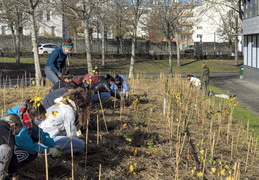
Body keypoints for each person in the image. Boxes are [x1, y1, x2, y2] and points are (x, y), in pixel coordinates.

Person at [7, 99, 61, 178]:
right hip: (6, 147)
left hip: (15, 144)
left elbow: (40, 134)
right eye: (39, 118)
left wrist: (52, 144)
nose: (40, 121)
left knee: (32, 153)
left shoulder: (27, 119)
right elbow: (29, 145)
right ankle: (9, 168)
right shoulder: (17, 124)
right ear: (32, 115)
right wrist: (48, 150)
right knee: (28, 154)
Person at [39, 88, 91, 154]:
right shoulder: (68, 111)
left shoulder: (59, 105)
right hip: (49, 139)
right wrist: (78, 140)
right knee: (81, 145)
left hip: (42, 137)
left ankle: (51, 151)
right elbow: (71, 134)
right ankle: (53, 153)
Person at [0, 114, 23, 180]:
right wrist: (14, 174)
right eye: (15, 132)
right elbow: (12, 154)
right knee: (6, 149)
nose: (14, 135)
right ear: (13, 124)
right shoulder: (7, 134)